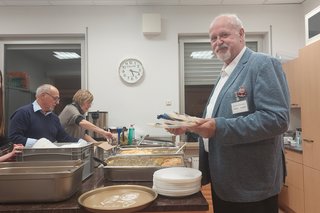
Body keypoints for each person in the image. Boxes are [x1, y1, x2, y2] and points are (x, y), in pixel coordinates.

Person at [167, 14, 290, 213]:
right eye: (213, 38)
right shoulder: (225, 74)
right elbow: (216, 119)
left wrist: (218, 127)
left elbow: (277, 119)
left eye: (224, 35)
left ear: (241, 34)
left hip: (251, 185)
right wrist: (187, 124)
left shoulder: (262, 64)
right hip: (224, 179)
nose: (218, 42)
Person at [8, 84, 84, 147]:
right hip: (28, 161)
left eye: (58, 99)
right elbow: (14, 137)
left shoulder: (54, 118)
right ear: (43, 96)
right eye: (55, 98)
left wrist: (81, 142)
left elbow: (63, 137)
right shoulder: (23, 113)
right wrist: (39, 144)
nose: (57, 102)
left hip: (48, 159)